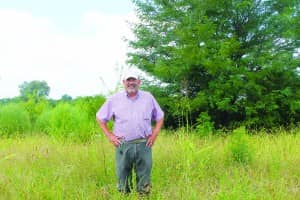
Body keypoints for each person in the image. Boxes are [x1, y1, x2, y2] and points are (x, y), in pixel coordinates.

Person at [96, 71, 164, 195]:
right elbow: (100, 118)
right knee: (123, 177)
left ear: (139, 82)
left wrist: (155, 134)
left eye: (134, 80)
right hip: (123, 144)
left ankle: (143, 196)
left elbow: (160, 116)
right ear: (124, 82)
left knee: (144, 178)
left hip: (144, 144)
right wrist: (109, 135)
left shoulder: (148, 97)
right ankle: (124, 196)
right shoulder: (114, 99)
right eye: (128, 80)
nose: (131, 83)